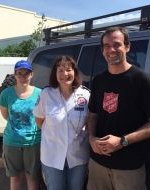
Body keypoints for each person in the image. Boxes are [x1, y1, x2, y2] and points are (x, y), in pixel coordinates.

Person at [87, 27, 150, 190]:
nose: (111, 50)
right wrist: (91, 138)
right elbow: (93, 114)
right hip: (97, 163)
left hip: (129, 167)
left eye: (117, 44)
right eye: (106, 46)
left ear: (127, 47)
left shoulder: (143, 80)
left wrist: (122, 141)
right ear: (102, 50)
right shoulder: (99, 80)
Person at [33, 55, 90, 190]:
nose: (65, 74)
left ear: (75, 72)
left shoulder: (85, 94)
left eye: (69, 70)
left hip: (78, 156)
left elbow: (89, 123)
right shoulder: (46, 94)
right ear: (55, 74)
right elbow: (39, 120)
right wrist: (55, 134)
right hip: (52, 156)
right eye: (60, 70)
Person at [0, 60, 41, 190]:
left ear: (31, 75)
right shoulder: (6, 94)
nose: (23, 77)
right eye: (19, 73)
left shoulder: (40, 94)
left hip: (33, 142)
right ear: (15, 75)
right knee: (15, 178)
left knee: (32, 177)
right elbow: (6, 116)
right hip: (12, 143)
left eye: (26, 73)